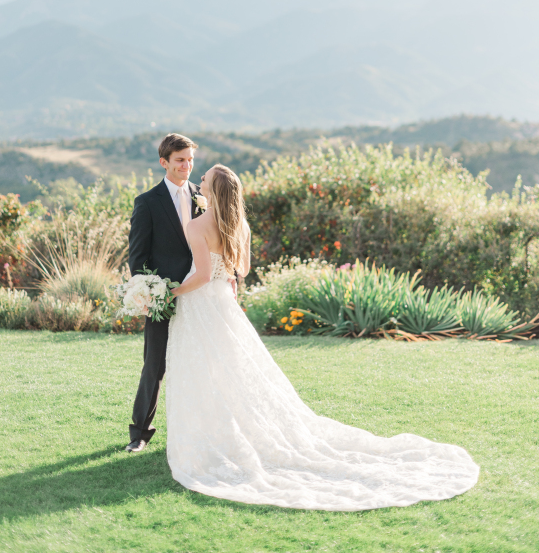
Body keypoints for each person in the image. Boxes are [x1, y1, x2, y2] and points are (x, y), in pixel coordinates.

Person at [165, 163, 480, 511]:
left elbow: (202, 275)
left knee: (201, 371)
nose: (199, 182)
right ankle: (229, 435)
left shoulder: (197, 226)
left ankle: (211, 439)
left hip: (202, 306)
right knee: (233, 372)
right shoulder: (242, 225)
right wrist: (225, 273)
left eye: (204, 179)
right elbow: (243, 270)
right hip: (224, 304)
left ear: (213, 190)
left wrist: (171, 292)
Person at [125, 133, 203, 453]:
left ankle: (199, 430)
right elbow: (137, 256)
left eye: (190, 160)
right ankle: (140, 433)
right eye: (180, 160)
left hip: (200, 294)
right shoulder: (147, 202)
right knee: (154, 365)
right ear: (164, 162)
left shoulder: (203, 195)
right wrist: (150, 293)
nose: (187, 166)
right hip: (164, 297)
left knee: (201, 362)